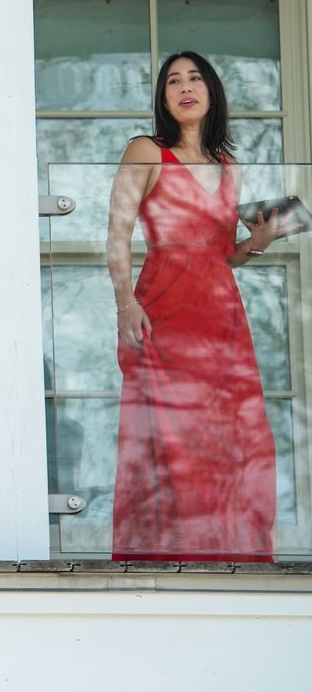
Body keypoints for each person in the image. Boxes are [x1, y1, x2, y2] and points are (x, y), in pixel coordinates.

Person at [106, 50, 285, 562]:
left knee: (233, 434)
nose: (185, 87)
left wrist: (262, 240)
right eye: (172, 82)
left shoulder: (230, 167)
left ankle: (233, 556)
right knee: (169, 435)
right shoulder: (145, 151)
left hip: (222, 314)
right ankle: (164, 559)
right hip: (164, 304)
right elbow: (117, 234)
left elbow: (227, 253)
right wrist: (124, 304)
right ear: (163, 99)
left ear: (212, 91)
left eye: (195, 78)